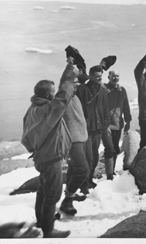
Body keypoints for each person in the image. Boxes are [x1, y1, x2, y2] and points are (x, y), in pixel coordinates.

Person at [21, 57, 78, 238]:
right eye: (52, 93)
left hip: (42, 156)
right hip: (51, 157)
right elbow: (63, 97)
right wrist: (69, 72)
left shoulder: (32, 109)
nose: (54, 95)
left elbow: (28, 134)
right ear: (47, 96)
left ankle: (41, 220)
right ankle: (49, 230)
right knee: (52, 194)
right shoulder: (47, 110)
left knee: (43, 190)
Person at [75, 65, 114, 189]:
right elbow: (77, 108)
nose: (99, 78)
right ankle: (83, 183)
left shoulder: (102, 91)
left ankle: (89, 179)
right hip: (86, 130)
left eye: (100, 76)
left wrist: (106, 125)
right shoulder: (82, 89)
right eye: (96, 76)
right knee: (89, 158)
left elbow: (106, 110)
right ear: (90, 76)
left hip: (98, 130)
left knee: (95, 157)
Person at [59, 75, 89, 216]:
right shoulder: (64, 96)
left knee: (73, 168)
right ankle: (67, 200)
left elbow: (84, 78)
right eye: (74, 83)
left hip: (80, 138)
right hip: (72, 140)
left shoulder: (74, 96)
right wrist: (70, 66)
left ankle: (69, 195)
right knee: (83, 170)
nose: (77, 85)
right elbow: (64, 83)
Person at [103, 70, 132, 172]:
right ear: (108, 77)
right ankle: (109, 173)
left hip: (117, 125)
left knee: (114, 147)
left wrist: (128, 121)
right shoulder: (104, 88)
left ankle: (111, 171)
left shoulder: (122, 90)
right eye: (113, 76)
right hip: (106, 125)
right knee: (109, 148)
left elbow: (126, 107)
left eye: (117, 76)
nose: (115, 78)